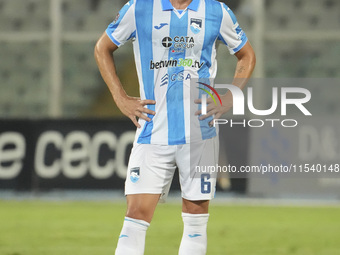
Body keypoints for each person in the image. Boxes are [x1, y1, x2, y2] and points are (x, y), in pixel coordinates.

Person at [94, 0, 256, 254]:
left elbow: (246, 54)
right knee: (136, 214)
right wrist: (120, 98)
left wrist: (230, 95)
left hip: (200, 132)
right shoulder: (139, 8)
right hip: (152, 130)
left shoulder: (216, 11)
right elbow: (102, 47)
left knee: (195, 216)